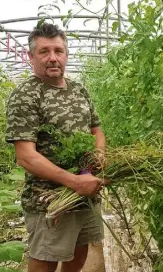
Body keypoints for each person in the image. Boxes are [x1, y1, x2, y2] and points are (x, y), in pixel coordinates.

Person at [5, 23, 108, 272]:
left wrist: (100, 155)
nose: (53, 58)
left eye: (58, 51)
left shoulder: (78, 90)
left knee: (79, 250)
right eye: (44, 51)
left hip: (85, 195)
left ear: (66, 54)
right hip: (49, 200)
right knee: (46, 260)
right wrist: (73, 182)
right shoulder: (26, 95)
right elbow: (26, 156)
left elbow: (97, 129)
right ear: (31, 57)